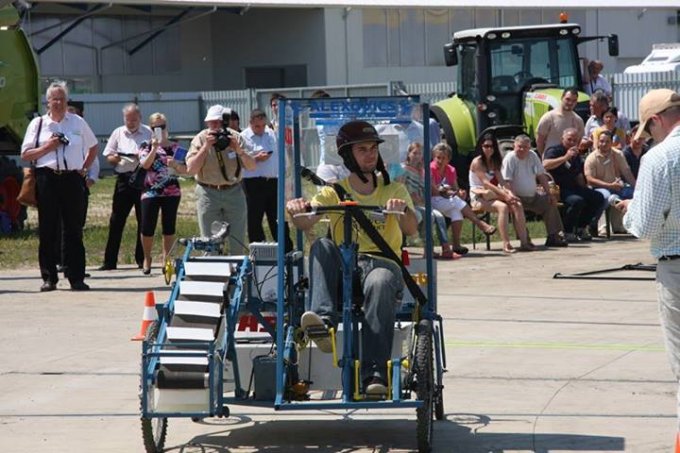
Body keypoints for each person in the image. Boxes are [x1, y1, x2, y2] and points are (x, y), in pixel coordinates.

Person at [286, 120, 418, 398]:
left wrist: (402, 210)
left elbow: (411, 229)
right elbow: (306, 222)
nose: (370, 155)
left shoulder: (393, 190)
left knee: (380, 281)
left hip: (382, 266)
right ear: (348, 156)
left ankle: (374, 372)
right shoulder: (334, 191)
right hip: (346, 271)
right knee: (322, 244)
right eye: (362, 150)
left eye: (373, 149)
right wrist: (295, 209)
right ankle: (322, 321)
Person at [618, 89, 680, 447]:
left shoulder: (660, 158)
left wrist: (630, 212)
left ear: (656, 120)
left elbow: (646, 225)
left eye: (649, 129)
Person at [20, 81, 98, 291]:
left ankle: (76, 277)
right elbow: (26, 154)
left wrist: (84, 168)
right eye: (54, 99)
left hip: (72, 178)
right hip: (47, 178)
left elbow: (93, 146)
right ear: (47, 102)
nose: (58, 103)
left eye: (62, 99)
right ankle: (49, 278)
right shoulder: (38, 125)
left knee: (73, 228)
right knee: (47, 228)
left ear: (67, 101)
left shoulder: (77, 122)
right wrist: (48, 146)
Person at [186, 104, 256, 254]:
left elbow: (251, 166)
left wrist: (238, 149)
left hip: (234, 191)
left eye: (218, 122)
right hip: (208, 193)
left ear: (225, 122)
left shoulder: (236, 137)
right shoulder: (200, 138)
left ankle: (236, 273)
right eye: (211, 123)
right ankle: (214, 274)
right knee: (209, 243)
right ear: (207, 123)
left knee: (237, 241)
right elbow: (191, 169)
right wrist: (206, 147)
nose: (215, 126)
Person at [99, 103, 150, 270]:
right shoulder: (118, 132)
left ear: (140, 118)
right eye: (128, 120)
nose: (131, 123)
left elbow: (158, 153)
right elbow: (108, 154)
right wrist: (115, 159)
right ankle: (109, 261)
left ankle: (141, 259)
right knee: (116, 220)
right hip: (124, 178)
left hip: (143, 178)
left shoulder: (148, 132)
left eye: (134, 119)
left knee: (144, 220)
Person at [138, 113, 186, 274]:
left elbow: (185, 170)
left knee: (169, 227)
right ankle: (147, 257)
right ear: (150, 129)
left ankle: (167, 257)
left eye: (162, 127)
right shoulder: (145, 145)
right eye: (155, 128)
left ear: (167, 127)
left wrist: (176, 166)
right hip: (150, 191)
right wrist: (154, 147)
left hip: (171, 191)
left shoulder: (175, 147)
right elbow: (145, 165)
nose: (160, 130)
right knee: (147, 226)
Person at [469, 134, 533, 253]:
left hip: (493, 194)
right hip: (478, 195)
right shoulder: (477, 162)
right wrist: (505, 195)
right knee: (502, 207)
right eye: (486, 146)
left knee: (517, 204)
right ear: (481, 147)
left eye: (491, 146)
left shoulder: (495, 161)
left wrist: (510, 193)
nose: (489, 149)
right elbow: (486, 183)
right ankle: (506, 243)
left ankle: (524, 242)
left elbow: (502, 181)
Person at [501, 135, 568, 247]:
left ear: (530, 148)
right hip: (516, 196)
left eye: (525, 147)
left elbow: (541, 175)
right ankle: (525, 239)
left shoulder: (533, 156)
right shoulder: (510, 158)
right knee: (516, 206)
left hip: (533, 195)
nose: (522, 149)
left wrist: (549, 193)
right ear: (514, 146)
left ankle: (554, 236)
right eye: (519, 147)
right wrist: (512, 195)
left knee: (549, 202)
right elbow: (507, 181)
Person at [430, 142, 496, 256]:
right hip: (432, 199)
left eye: (443, 158)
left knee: (457, 213)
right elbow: (434, 191)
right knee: (457, 202)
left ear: (449, 159)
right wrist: (452, 193)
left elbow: (455, 188)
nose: (440, 161)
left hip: (447, 201)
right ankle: (479, 223)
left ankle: (456, 245)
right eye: (438, 157)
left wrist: (460, 193)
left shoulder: (451, 170)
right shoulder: (430, 168)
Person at [241, 108, 293, 250]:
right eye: (257, 126)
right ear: (250, 123)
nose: (260, 129)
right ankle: (258, 251)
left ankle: (285, 249)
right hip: (253, 182)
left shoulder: (270, 133)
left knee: (277, 217)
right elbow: (240, 161)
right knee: (255, 218)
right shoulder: (243, 137)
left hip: (272, 181)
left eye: (263, 125)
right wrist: (256, 158)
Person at [397, 142, 458, 259]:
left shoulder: (423, 171)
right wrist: (410, 196)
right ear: (408, 154)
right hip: (408, 205)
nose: (417, 156)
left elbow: (427, 190)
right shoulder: (403, 169)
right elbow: (400, 187)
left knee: (439, 216)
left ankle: (445, 248)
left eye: (419, 153)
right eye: (414, 153)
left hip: (421, 204)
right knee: (429, 216)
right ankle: (428, 249)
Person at [543, 128, 605, 241]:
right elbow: (545, 165)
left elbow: (578, 174)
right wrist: (565, 157)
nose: (572, 142)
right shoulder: (554, 150)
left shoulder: (576, 154)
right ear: (562, 139)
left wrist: (586, 188)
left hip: (573, 186)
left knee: (597, 197)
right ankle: (567, 231)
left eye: (575, 140)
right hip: (559, 188)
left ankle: (581, 227)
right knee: (577, 201)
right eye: (569, 139)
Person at [584, 130, 636, 234]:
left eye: (607, 141)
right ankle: (594, 223)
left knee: (634, 194)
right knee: (606, 196)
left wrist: (637, 189)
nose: (604, 144)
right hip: (598, 188)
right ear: (598, 142)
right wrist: (609, 185)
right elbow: (589, 179)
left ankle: (633, 225)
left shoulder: (618, 154)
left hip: (616, 186)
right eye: (602, 141)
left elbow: (627, 173)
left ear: (612, 143)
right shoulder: (591, 158)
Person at [536, 87, 586, 155]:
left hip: (570, 160)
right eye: (568, 99)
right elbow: (539, 140)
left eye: (574, 100)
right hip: (552, 160)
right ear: (562, 98)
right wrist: (544, 157)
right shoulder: (548, 117)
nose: (570, 103)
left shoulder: (578, 121)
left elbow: (578, 141)